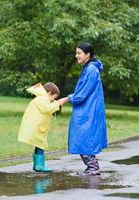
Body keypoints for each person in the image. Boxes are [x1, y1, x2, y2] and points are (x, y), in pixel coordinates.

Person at [59, 42, 107, 176]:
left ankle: (93, 168)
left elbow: (82, 93)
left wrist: (66, 98)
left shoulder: (91, 70)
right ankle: (91, 167)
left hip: (88, 110)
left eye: (79, 53)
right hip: (86, 109)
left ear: (88, 54)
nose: (76, 56)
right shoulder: (88, 68)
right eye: (76, 53)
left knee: (83, 137)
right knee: (82, 137)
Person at [18, 82, 62, 172]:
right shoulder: (43, 99)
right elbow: (46, 109)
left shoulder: (41, 98)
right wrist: (58, 103)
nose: (53, 100)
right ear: (49, 93)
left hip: (38, 126)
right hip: (38, 127)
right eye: (54, 97)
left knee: (39, 144)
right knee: (41, 144)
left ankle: (37, 164)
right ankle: (39, 165)